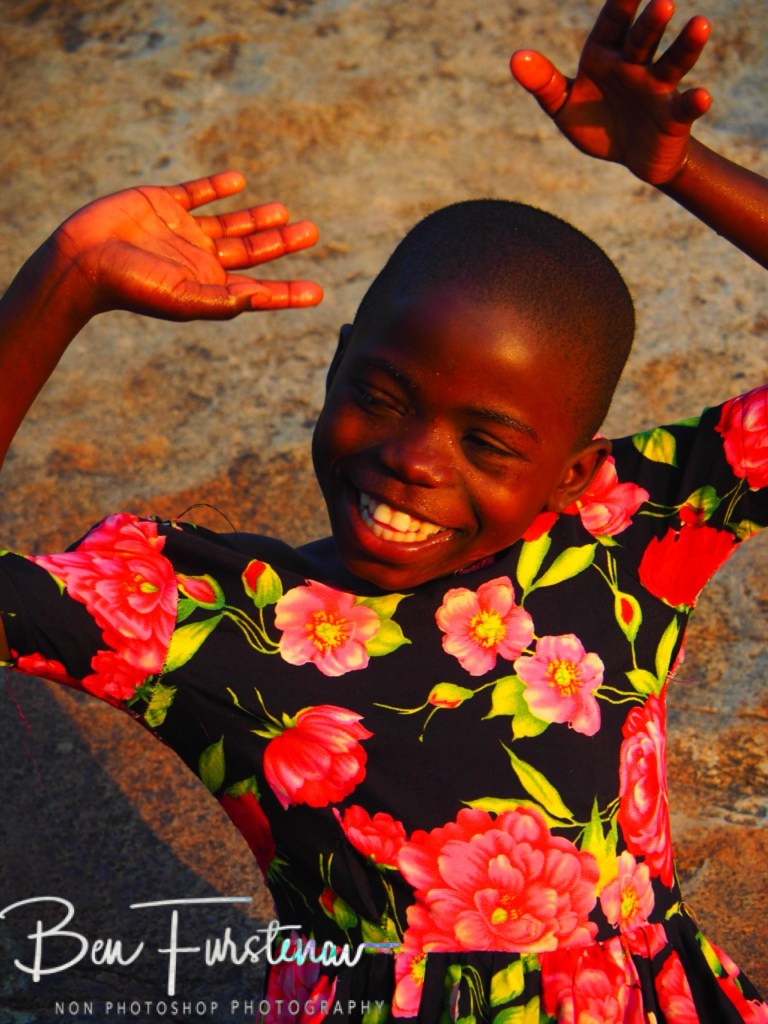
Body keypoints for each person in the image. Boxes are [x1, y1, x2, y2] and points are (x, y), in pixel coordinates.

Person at [0, 0, 766, 1021]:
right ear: (336, 361)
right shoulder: (207, 619)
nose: (410, 458)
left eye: (487, 443)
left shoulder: (622, 536)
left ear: (574, 473)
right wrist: (65, 279)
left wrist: (682, 171)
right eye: (384, 394)